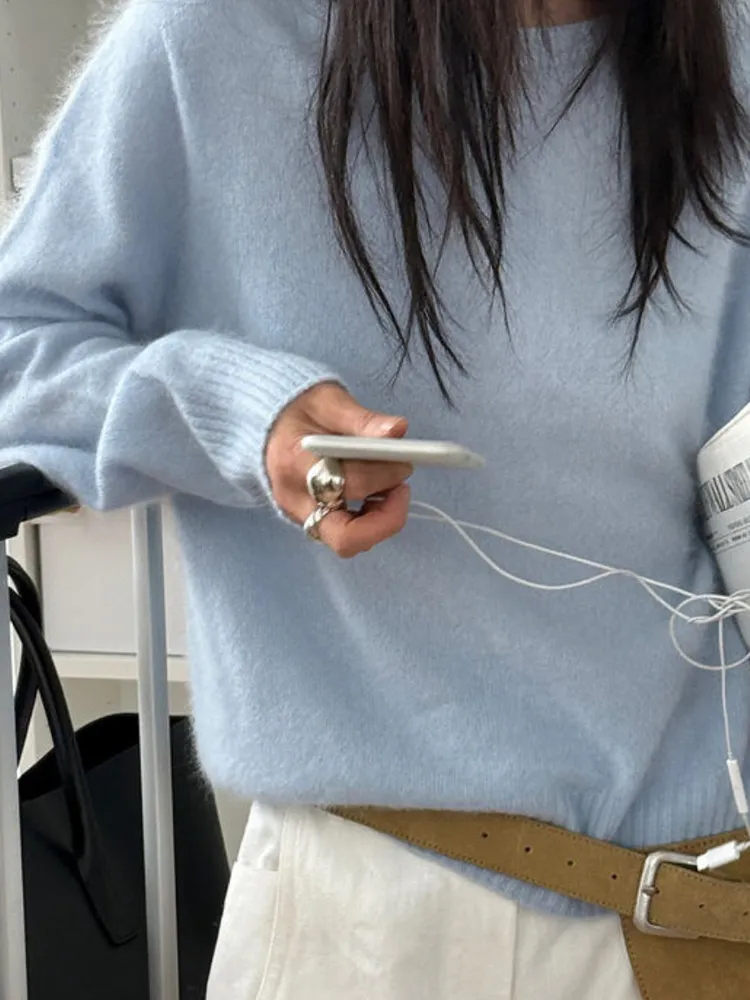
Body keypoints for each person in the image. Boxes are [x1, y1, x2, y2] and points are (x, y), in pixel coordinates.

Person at [1, 0, 750, 997]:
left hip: (708, 909)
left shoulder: (729, 50)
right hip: (378, 922)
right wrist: (242, 415)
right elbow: (19, 350)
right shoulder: (216, 41)